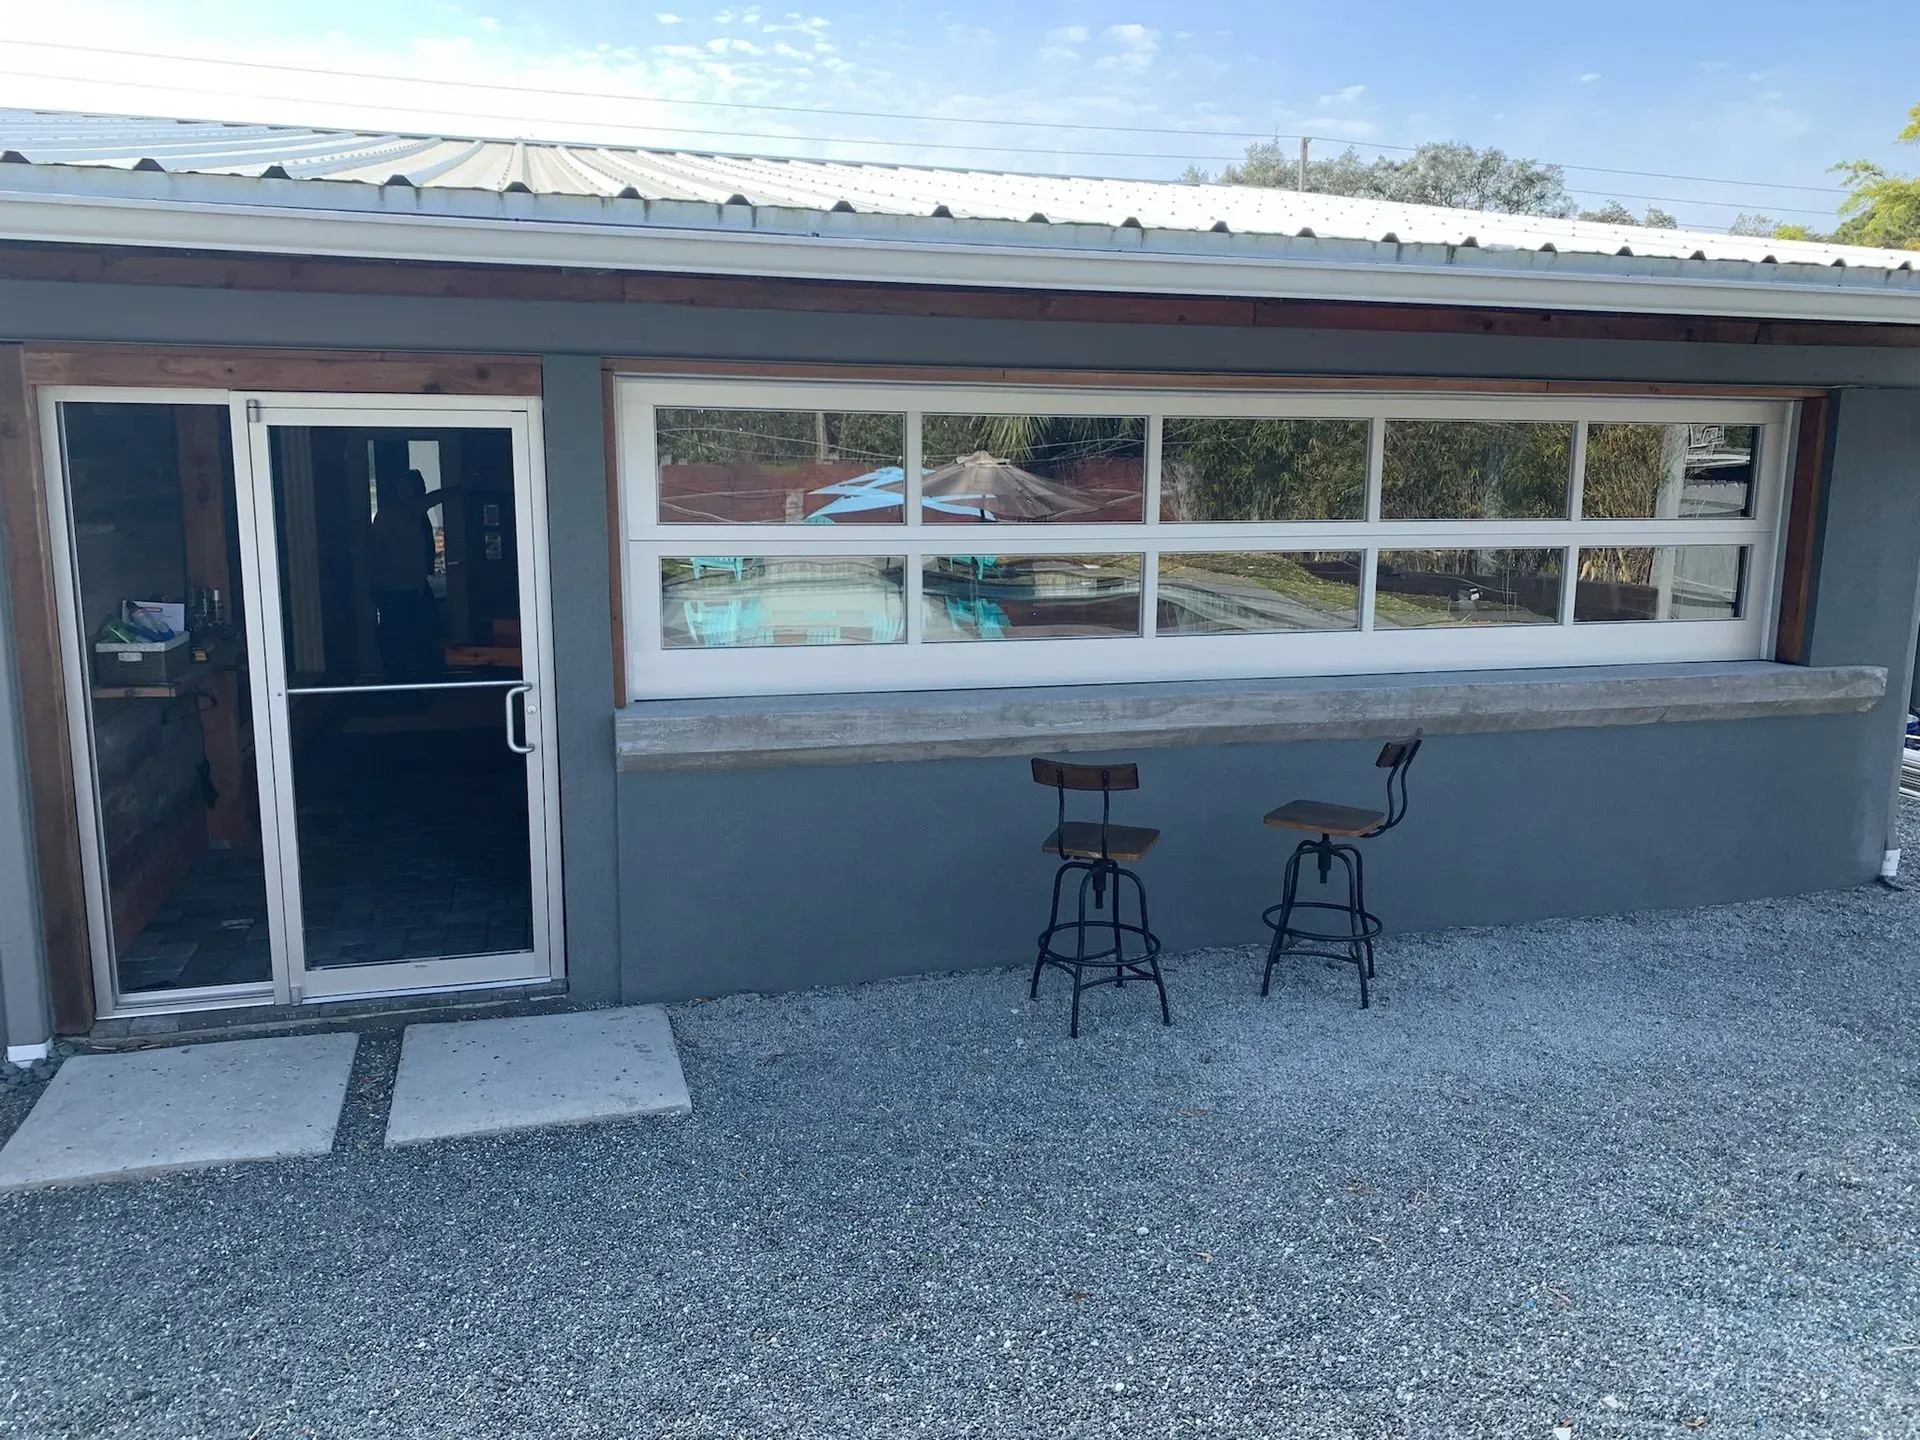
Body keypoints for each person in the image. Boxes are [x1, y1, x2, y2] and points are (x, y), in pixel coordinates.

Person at [369, 468, 448, 683]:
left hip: (413, 583)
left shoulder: (415, 510)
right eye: (402, 486)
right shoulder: (391, 514)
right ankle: (399, 678)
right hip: (394, 586)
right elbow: (376, 551)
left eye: (411, 486)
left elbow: (437, 497)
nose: (407, 491)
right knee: (400, 631)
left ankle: (420, 677)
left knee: (421, 628)